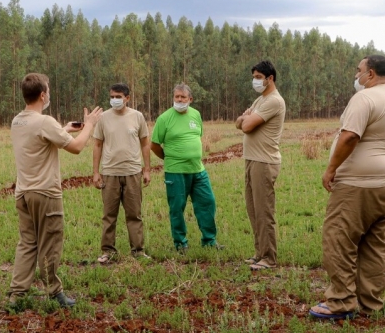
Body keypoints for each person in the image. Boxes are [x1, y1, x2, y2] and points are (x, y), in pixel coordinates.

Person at [310, 55, 385, 319]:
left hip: (358, 185)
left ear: (371, 74)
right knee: (375, 243)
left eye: (359, 71)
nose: (357, 76)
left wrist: (331, 168)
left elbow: (350, 135)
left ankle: (341, 302)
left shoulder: (364, 98)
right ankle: (371, 303)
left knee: (339, 238)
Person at [8, 73, 102, 308]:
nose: (49, 94)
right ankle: (54, 292)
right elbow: (77, 147)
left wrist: (65, 129)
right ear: (42, 94)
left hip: (24, 193)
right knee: (50, 243)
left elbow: (39, 139)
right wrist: (89, 125)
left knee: (27, 243)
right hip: (46, 194)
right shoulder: (44, 121)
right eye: (48, 90)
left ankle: (17, 295)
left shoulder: (18, 120)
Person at [151, 83, 222, 252]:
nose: (180, 100)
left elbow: (197, 136)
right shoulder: (164, 118)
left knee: (207, 202)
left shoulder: (196, 115)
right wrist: (169, 158)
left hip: (198, 170)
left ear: (190, 99)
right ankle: (180, 243)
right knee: (177, 207)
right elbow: (154, 145)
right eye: (177, 97)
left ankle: (209, 240)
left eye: (183, 97)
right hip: (175, 172)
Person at [92, 83, 151, 264]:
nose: (115, 100)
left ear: (127, 98)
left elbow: (145, 143)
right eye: (112, 96)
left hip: (133, 172)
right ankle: (108, 251)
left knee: (134, 214)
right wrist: (96, 172)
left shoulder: (137, 117)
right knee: (109, 215)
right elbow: (97, 144)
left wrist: (147, 169)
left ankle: (138, 251)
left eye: (119, 97)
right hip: (110, 172)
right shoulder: (103, 118)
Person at [236, 60, 286, 271]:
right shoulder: (260, 100)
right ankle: (259, 253)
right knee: (253, 209)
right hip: (252, 160)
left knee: (264, 211)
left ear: (270, 78)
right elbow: (239, 121)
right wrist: (243, 119)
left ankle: (269, 257)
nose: (255, 81)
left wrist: (245, 119)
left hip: (264, 162)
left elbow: (245, 125)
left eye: (258, 77)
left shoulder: (273, 101)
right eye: (254, 77)